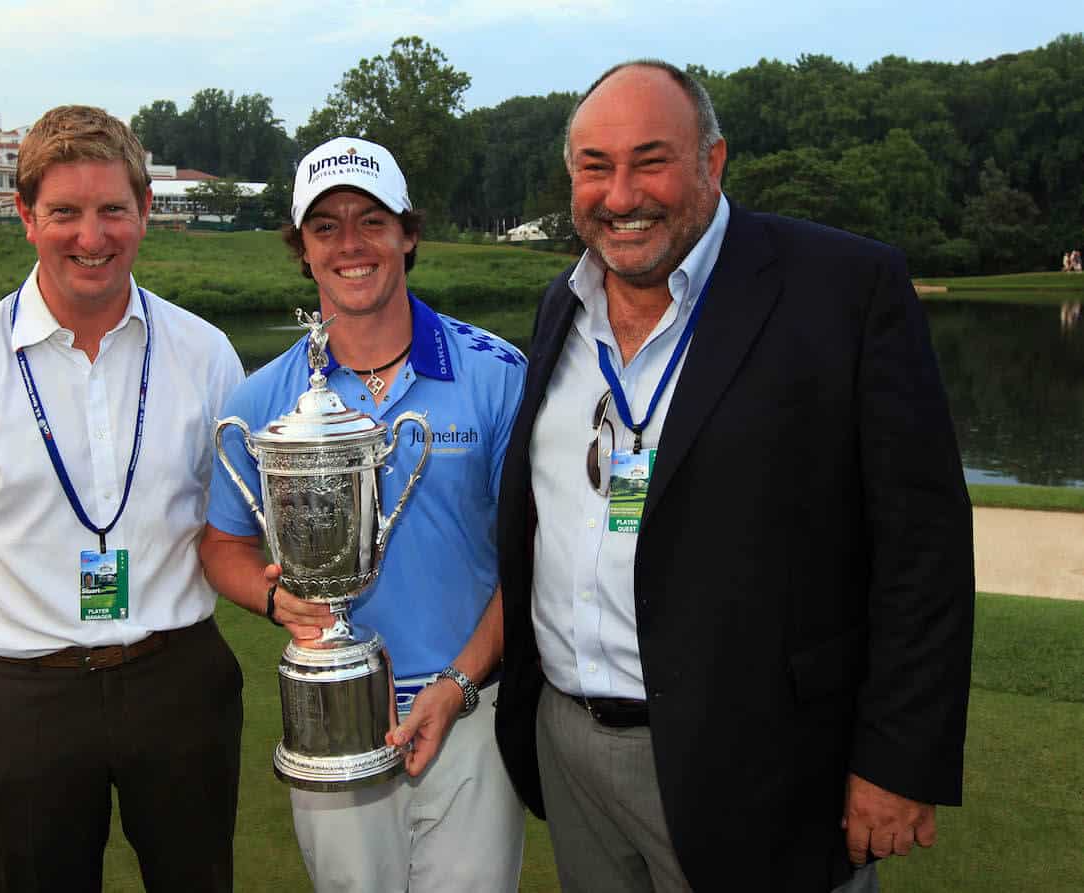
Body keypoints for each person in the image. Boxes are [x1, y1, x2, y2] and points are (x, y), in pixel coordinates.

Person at [494, 61, 975, 892]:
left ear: (713, 162)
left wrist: (898, 758)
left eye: (651, 161)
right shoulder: (560, 307)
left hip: (763, 765)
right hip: (570, 746)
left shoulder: (844, 290)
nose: (620, 195)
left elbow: (923, 546)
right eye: (594, 167)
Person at [0, 105, 246, 892]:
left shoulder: (206, 354)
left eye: (113, 209)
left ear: (146, 212)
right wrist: (12, 628)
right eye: (65, 213)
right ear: (25, 216)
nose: (92, 236)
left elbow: (232, 517)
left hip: (177, 681)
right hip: (26, 695)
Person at [200, 136, 526, 892]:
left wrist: (458, 684)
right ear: (302, 250)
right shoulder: (264, 399)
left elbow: (532, 559)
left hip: (470, 709)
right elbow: (220, 541)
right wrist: (277, 598)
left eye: (371, 220)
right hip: (331, 713)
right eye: (325, 226)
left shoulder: (497, 374)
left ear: (407, 235)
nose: (350, 244)